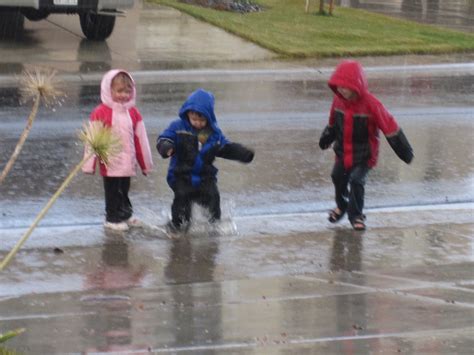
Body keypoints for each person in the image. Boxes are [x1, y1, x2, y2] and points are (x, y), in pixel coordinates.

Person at [319, 60, 413, 231]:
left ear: (356, 86)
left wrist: (404, 150)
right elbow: (333, 122)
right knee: (337, 177)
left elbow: (389, 126)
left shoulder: (371, 104)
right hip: (343, 152)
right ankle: (342, 205)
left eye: (345, 87)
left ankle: (356, 214)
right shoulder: (338, 101)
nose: (341, 90)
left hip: (365, 155)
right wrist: (327, 136)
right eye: (338, 87)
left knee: (356, 180)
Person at [156, 88, 254, 232]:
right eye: (194, 119)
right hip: (182, 175)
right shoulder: (178, 127)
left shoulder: (213, 133)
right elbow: (164, 138)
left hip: (205, 177)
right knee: (182, 199)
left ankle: (215, 226)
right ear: (187, 113)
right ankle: (177, 227)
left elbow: (225, 147)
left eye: (202, 120)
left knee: (213, 198)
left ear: (209, 117)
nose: (197, 123)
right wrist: (166, 147)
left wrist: (242, 154)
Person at [82, 69, 153, 231]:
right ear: (109, 90)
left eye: (127, 91)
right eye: (119, 91)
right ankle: (112, 217)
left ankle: (125, 214)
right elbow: (93, 139)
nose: (123, 95)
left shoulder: (133, 112)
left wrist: (145, 164)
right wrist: (89, 164)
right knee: (113, 190)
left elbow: (140, 139)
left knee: (124, 189)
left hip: (128, 161)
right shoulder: (100, 112)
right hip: (110, 161)